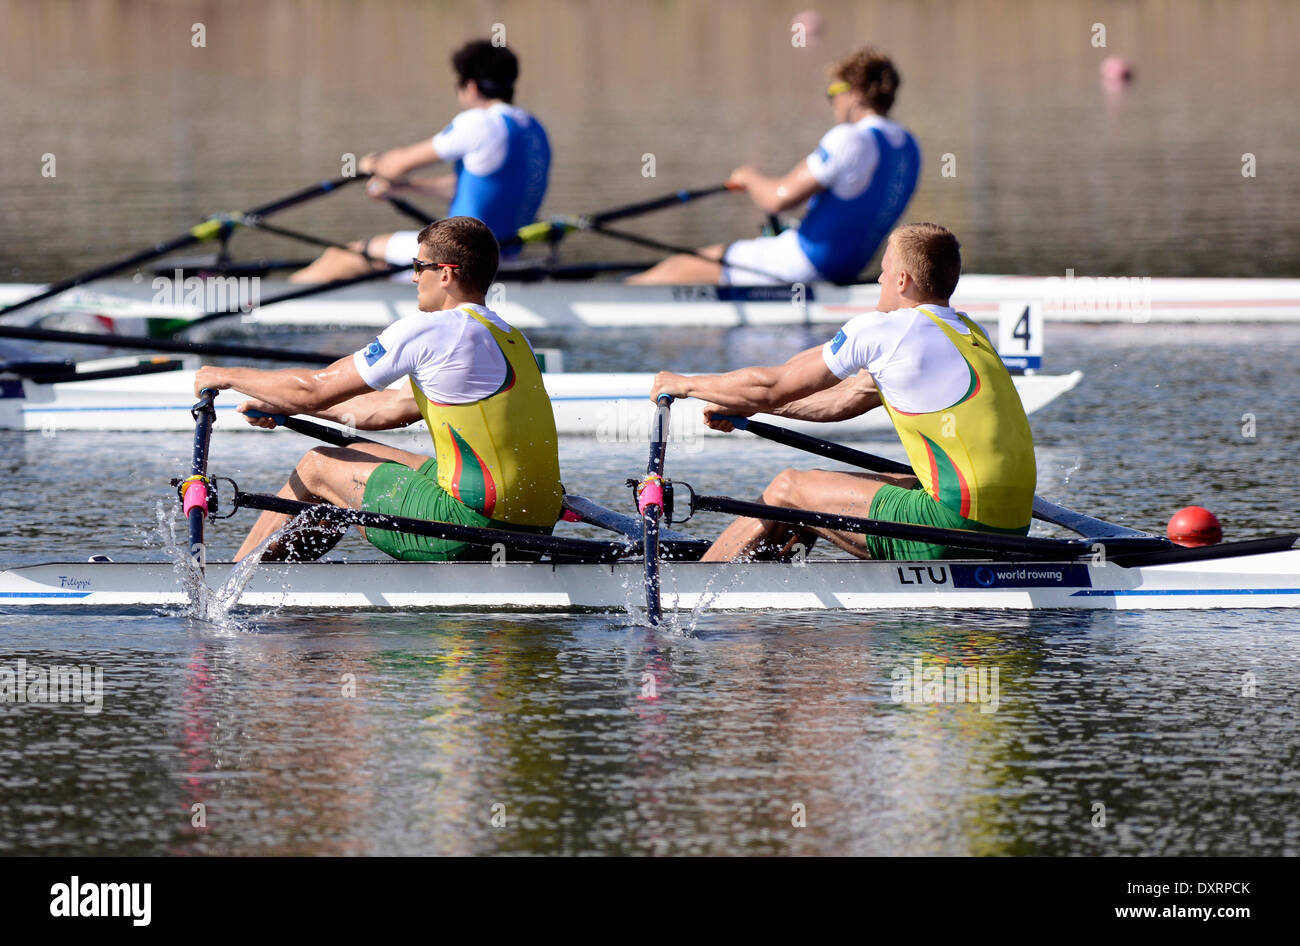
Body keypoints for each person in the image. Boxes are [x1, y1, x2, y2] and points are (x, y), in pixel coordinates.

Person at [649, 223, 1036, 562]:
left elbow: (771, 385)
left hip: (953, 527)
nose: (878, 282)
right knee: (859, 484)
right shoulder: (969, 333)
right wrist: (752, 408)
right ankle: (769, 583)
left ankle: (692, 587)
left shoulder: (885, 330)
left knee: (788, 488)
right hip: (1012, 527)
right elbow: (844, 399)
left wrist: (685, 384)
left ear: (902, 280)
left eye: (883, 272)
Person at [195, 216, 564, 562]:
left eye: (419, 267)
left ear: (447, 274)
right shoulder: (514, 338)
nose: (414, 278)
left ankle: (233, 581)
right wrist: (288, 406)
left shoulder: (431, 329)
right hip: (535, 526)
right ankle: (287, 580)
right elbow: (386, 409)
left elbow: (312, 389)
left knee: (317, 466)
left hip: (474, 528)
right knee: (359, 453)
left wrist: (223, 375)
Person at [628, 47, 920, 287]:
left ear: (854, 92)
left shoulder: (850, 139)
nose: (832, 102)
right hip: (847, 268)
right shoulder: (908, 145)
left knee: (679, 265)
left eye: (833, 93)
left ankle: (624, 295)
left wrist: (749, 178)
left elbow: (778, 198)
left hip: (801, 264)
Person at [290, 40, 550, 284]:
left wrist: (372, 165)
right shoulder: (532, 128)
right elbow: (480, 188)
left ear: (470, 87)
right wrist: (404, 188)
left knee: (343, 255)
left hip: (457, 258)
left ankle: (272, 303)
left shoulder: (480, 122)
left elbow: (396, 165)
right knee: (378, 263)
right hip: (504, 256)